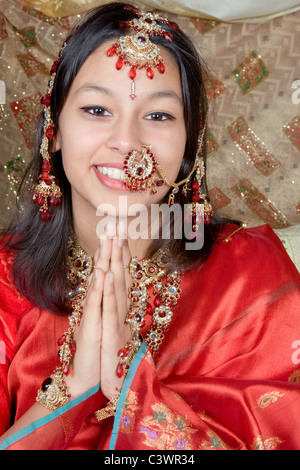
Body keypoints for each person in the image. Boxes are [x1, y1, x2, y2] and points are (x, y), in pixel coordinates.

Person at [0, 2, 299, 451]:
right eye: (97, 109)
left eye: (159, 116)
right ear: (54, 130)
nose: (127, 141)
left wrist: (129, 386)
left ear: (188, 145)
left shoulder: (251, 276)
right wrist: (75, 386)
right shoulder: (5, 282)